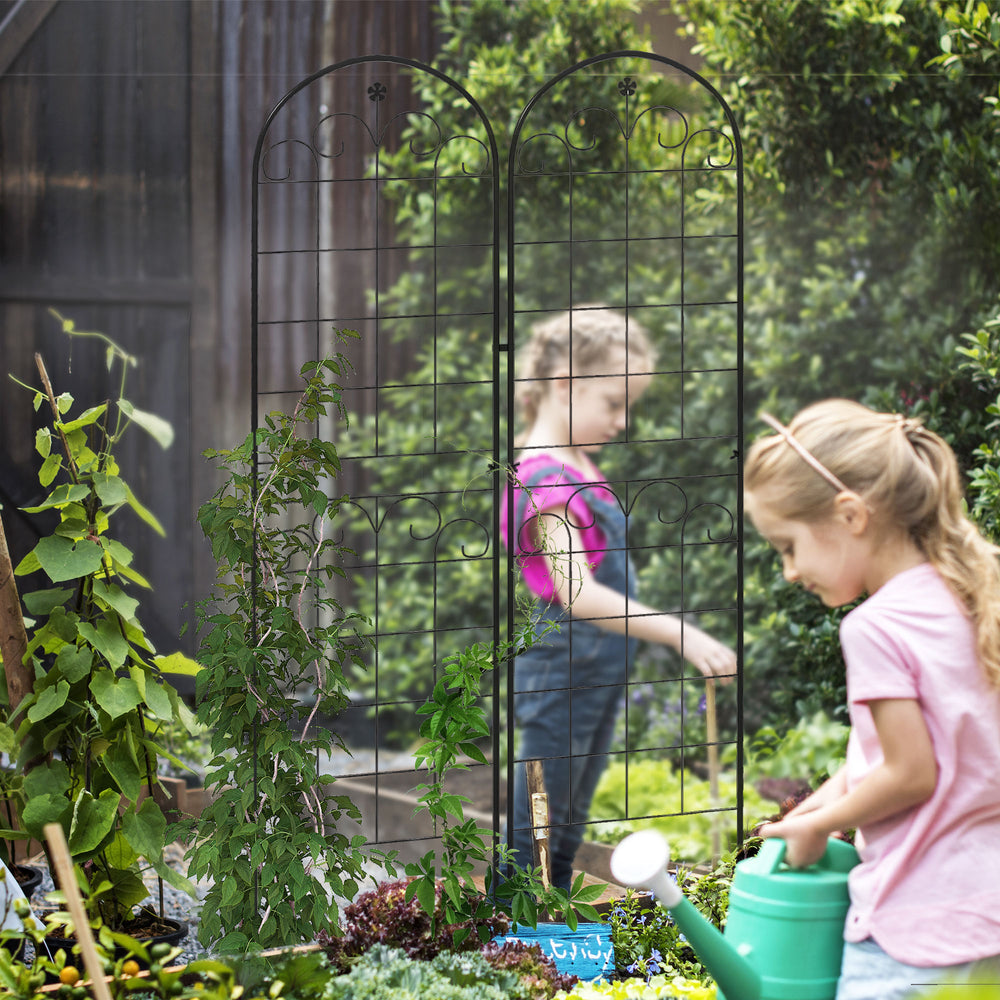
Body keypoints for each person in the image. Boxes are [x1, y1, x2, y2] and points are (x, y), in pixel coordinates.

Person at [744, 399, 1000, 1000]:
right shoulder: (971, 597)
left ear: (851, 515)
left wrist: (824, 823)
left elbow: (912, 773)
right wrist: (805, 816)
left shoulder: (875, 627)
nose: (787, 571)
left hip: (912, 930)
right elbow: (888, 761)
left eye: (787, 546)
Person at [502, 306, 737, 892]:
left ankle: (541, 933)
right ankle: (509, 931)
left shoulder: (579, 465)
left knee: (569, 816)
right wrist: (681, 633)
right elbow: (576, 592)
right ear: (564, 385)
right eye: (614, 402)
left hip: (597, 669)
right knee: (539, 814)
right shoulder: (543, 479)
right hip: (560, 671)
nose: (624, 420)